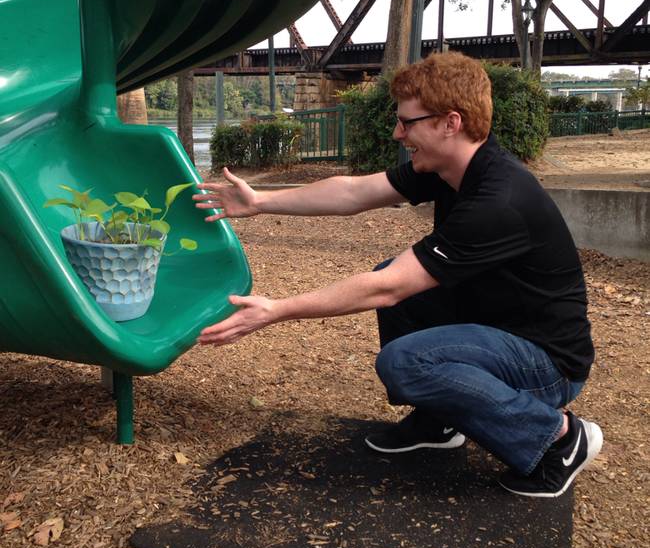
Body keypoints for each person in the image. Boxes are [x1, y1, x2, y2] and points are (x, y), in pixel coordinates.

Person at [193, 51, 602, 498]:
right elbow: (353, 192)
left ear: (451, 122)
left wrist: (276, 310)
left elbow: (387, 290)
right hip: (497, 328)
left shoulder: (497, 200)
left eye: (408, 123)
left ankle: (559, 438)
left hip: (546, 364)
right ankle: (439, 421)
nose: (397, 132)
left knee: (405, 360)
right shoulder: (452, 168)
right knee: (394, 278)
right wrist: (260, 203)